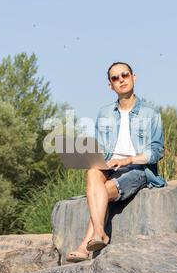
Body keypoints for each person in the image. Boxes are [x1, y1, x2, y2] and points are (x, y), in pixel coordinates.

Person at [65, 62, 166, 262]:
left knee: (105, 189)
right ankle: (100, 233)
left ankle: (86, 245)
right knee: (93, 171)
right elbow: (101, 147)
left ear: (133, 77)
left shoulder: (151, 114)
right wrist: (93, 157)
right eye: (115, 78)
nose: (121, 80)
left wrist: (128, 159)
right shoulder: (104, 113)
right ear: (110, 86)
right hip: (110, 165)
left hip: (137, 168)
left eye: (124, 75)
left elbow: (156, 152)